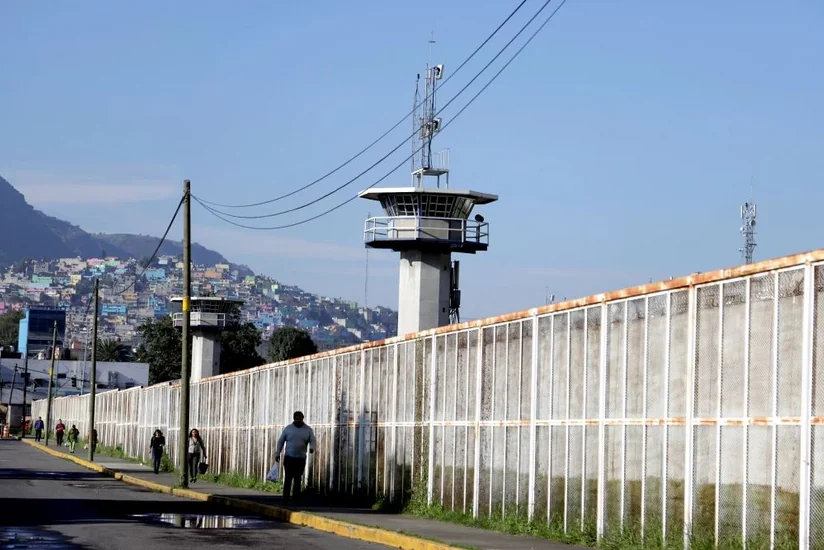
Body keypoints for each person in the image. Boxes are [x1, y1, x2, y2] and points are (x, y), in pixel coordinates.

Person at [275, 411, 316, 505]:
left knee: (297, 478)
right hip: (289, 457)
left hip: (300, 458)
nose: (298, 421)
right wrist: (278, 453)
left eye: (300, 419)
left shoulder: (308, 430)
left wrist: (312, 448)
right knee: (288, 478)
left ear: (303, 418)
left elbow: (312, 440)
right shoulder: (288, 429)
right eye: (296, 418)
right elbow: (281, 441)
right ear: (294, 419)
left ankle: (296, 498)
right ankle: (286, 497)